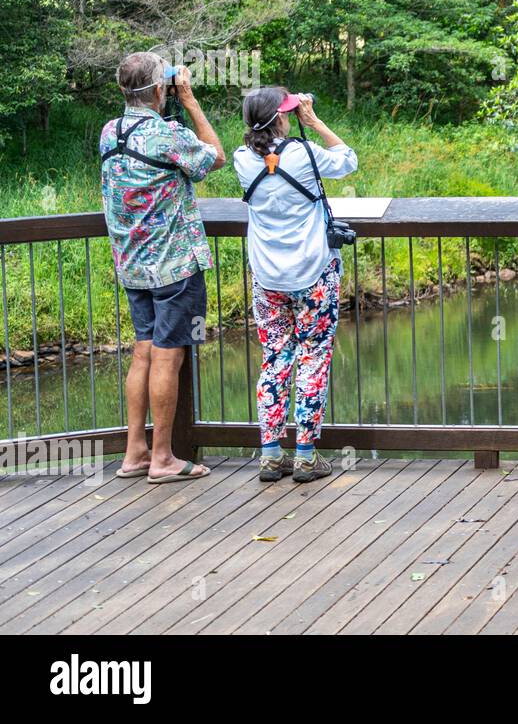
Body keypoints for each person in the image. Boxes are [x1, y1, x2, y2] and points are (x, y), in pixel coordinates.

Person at [100, 52, 225, 484]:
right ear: (160, 89)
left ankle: (135, 453)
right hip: (175, 267)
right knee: (168, 359)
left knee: (143, 352)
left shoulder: (109, 133)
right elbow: (215, 157)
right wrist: (188, 99)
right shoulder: (166, 134)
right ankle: (163, 459)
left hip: (132, 265)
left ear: (122, 90)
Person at [234, 87, 357, 483]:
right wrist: (314, 121)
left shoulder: (242, 160)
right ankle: (305, 455)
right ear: (281, 119)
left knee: (275, 357)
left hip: (268, 278)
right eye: (287, 112)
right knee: (313, 357)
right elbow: (348, 160)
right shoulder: (303, 154)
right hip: (313, 274)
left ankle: (271, 454)